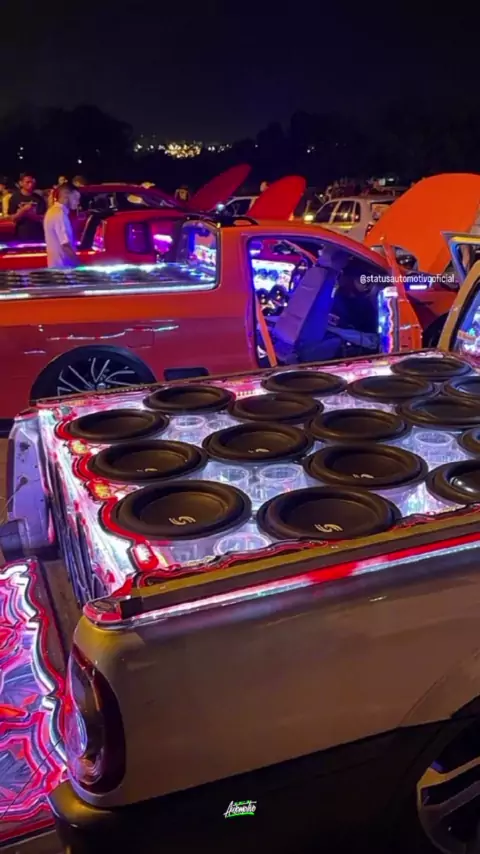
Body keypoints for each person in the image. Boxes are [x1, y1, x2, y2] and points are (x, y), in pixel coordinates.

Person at [43, 183, 78, 268]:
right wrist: (79, 265)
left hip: (56, 268)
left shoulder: (51, 211)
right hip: (63, 269)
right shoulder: (59, 214)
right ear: (66, 195)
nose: (78, 202)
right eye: (76, 198)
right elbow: (65, 245)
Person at [8, 173, 46, 242]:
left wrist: (31, 215)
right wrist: (23, 210)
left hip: (37, 233)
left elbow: (43, 217)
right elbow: (12, 218)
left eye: (32, 182)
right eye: (27, 182)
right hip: (21, 234)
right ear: (21, 183)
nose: (30, 184)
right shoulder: (14, 198)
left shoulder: (39, 198)